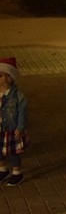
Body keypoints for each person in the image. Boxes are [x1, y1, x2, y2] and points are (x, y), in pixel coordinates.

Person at [0, 56, 29, 186]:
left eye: (8, 76)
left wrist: (20, 127)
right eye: (1, 76)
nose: (5, 79)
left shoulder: (18, 96)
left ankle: (17, 173)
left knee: (13, 153)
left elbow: (22, 113)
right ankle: (3, 169)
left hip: (11, 130)